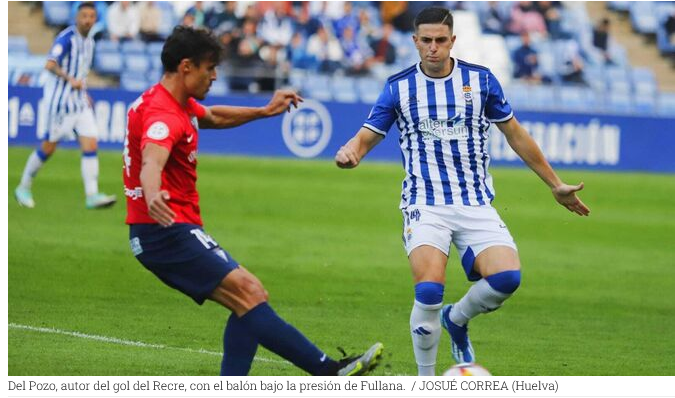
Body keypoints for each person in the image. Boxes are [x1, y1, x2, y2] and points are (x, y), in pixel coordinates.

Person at [335, 7, 590, 376]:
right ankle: (427, 381)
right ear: (415, 42)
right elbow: (365, 138)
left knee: (507, 279)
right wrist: (351, 153)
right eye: (426, 41)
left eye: (441, 40)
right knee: (428, 290)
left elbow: (515, 133)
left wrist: (555, 184)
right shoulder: (398, 87)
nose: (434, 48)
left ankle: (456, 318)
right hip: (425, 203)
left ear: (452, 41)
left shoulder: (481, 81)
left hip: (475, 201)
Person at [123, 25, 383, 376]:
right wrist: (153, 196)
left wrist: (263, 112)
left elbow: (212, 116)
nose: (214, 76)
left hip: (166, 228)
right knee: (249, 292)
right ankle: (329, 372)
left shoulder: (171, 102)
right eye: (209, 68)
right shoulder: (163, 116)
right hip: (165, 229)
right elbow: (152, 159)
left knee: (250, 297)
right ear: (186, 66)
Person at [15, 2, 116, 209]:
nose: (88, 20)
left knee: (91, 144)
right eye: (84, 16)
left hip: (79, 103)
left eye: (91, 16)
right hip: (61, 103)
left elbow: (82, 72)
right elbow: (50, 64)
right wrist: (69, 79)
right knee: (49, 147)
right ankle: (23, 186)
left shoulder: (90, 42)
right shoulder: (66, 38)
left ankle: (92, 195)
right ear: (76, 18)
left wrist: (84, 92)